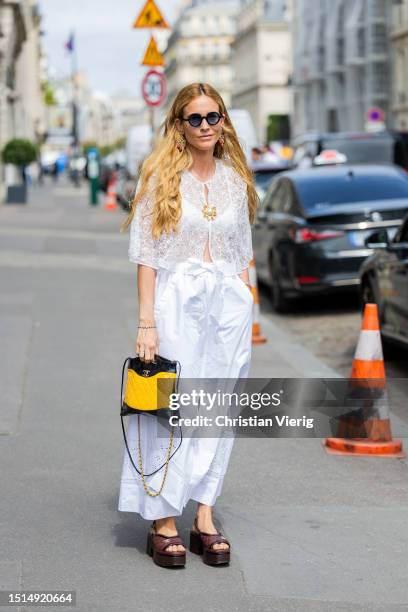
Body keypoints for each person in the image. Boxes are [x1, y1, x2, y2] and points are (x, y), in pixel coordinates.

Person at [118, 82, 258, 568]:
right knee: (167, 406)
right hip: (177, 304)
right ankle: (161, 519)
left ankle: (203, 515)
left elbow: (242, 252)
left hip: (228, 308)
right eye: (194, 118)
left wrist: (247, 301)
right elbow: (147, 257)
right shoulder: (159, 177)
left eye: (212, 117)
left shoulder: (235, 181)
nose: (204, 126)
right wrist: (146, 324)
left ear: (224, 122)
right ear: (178, 124)